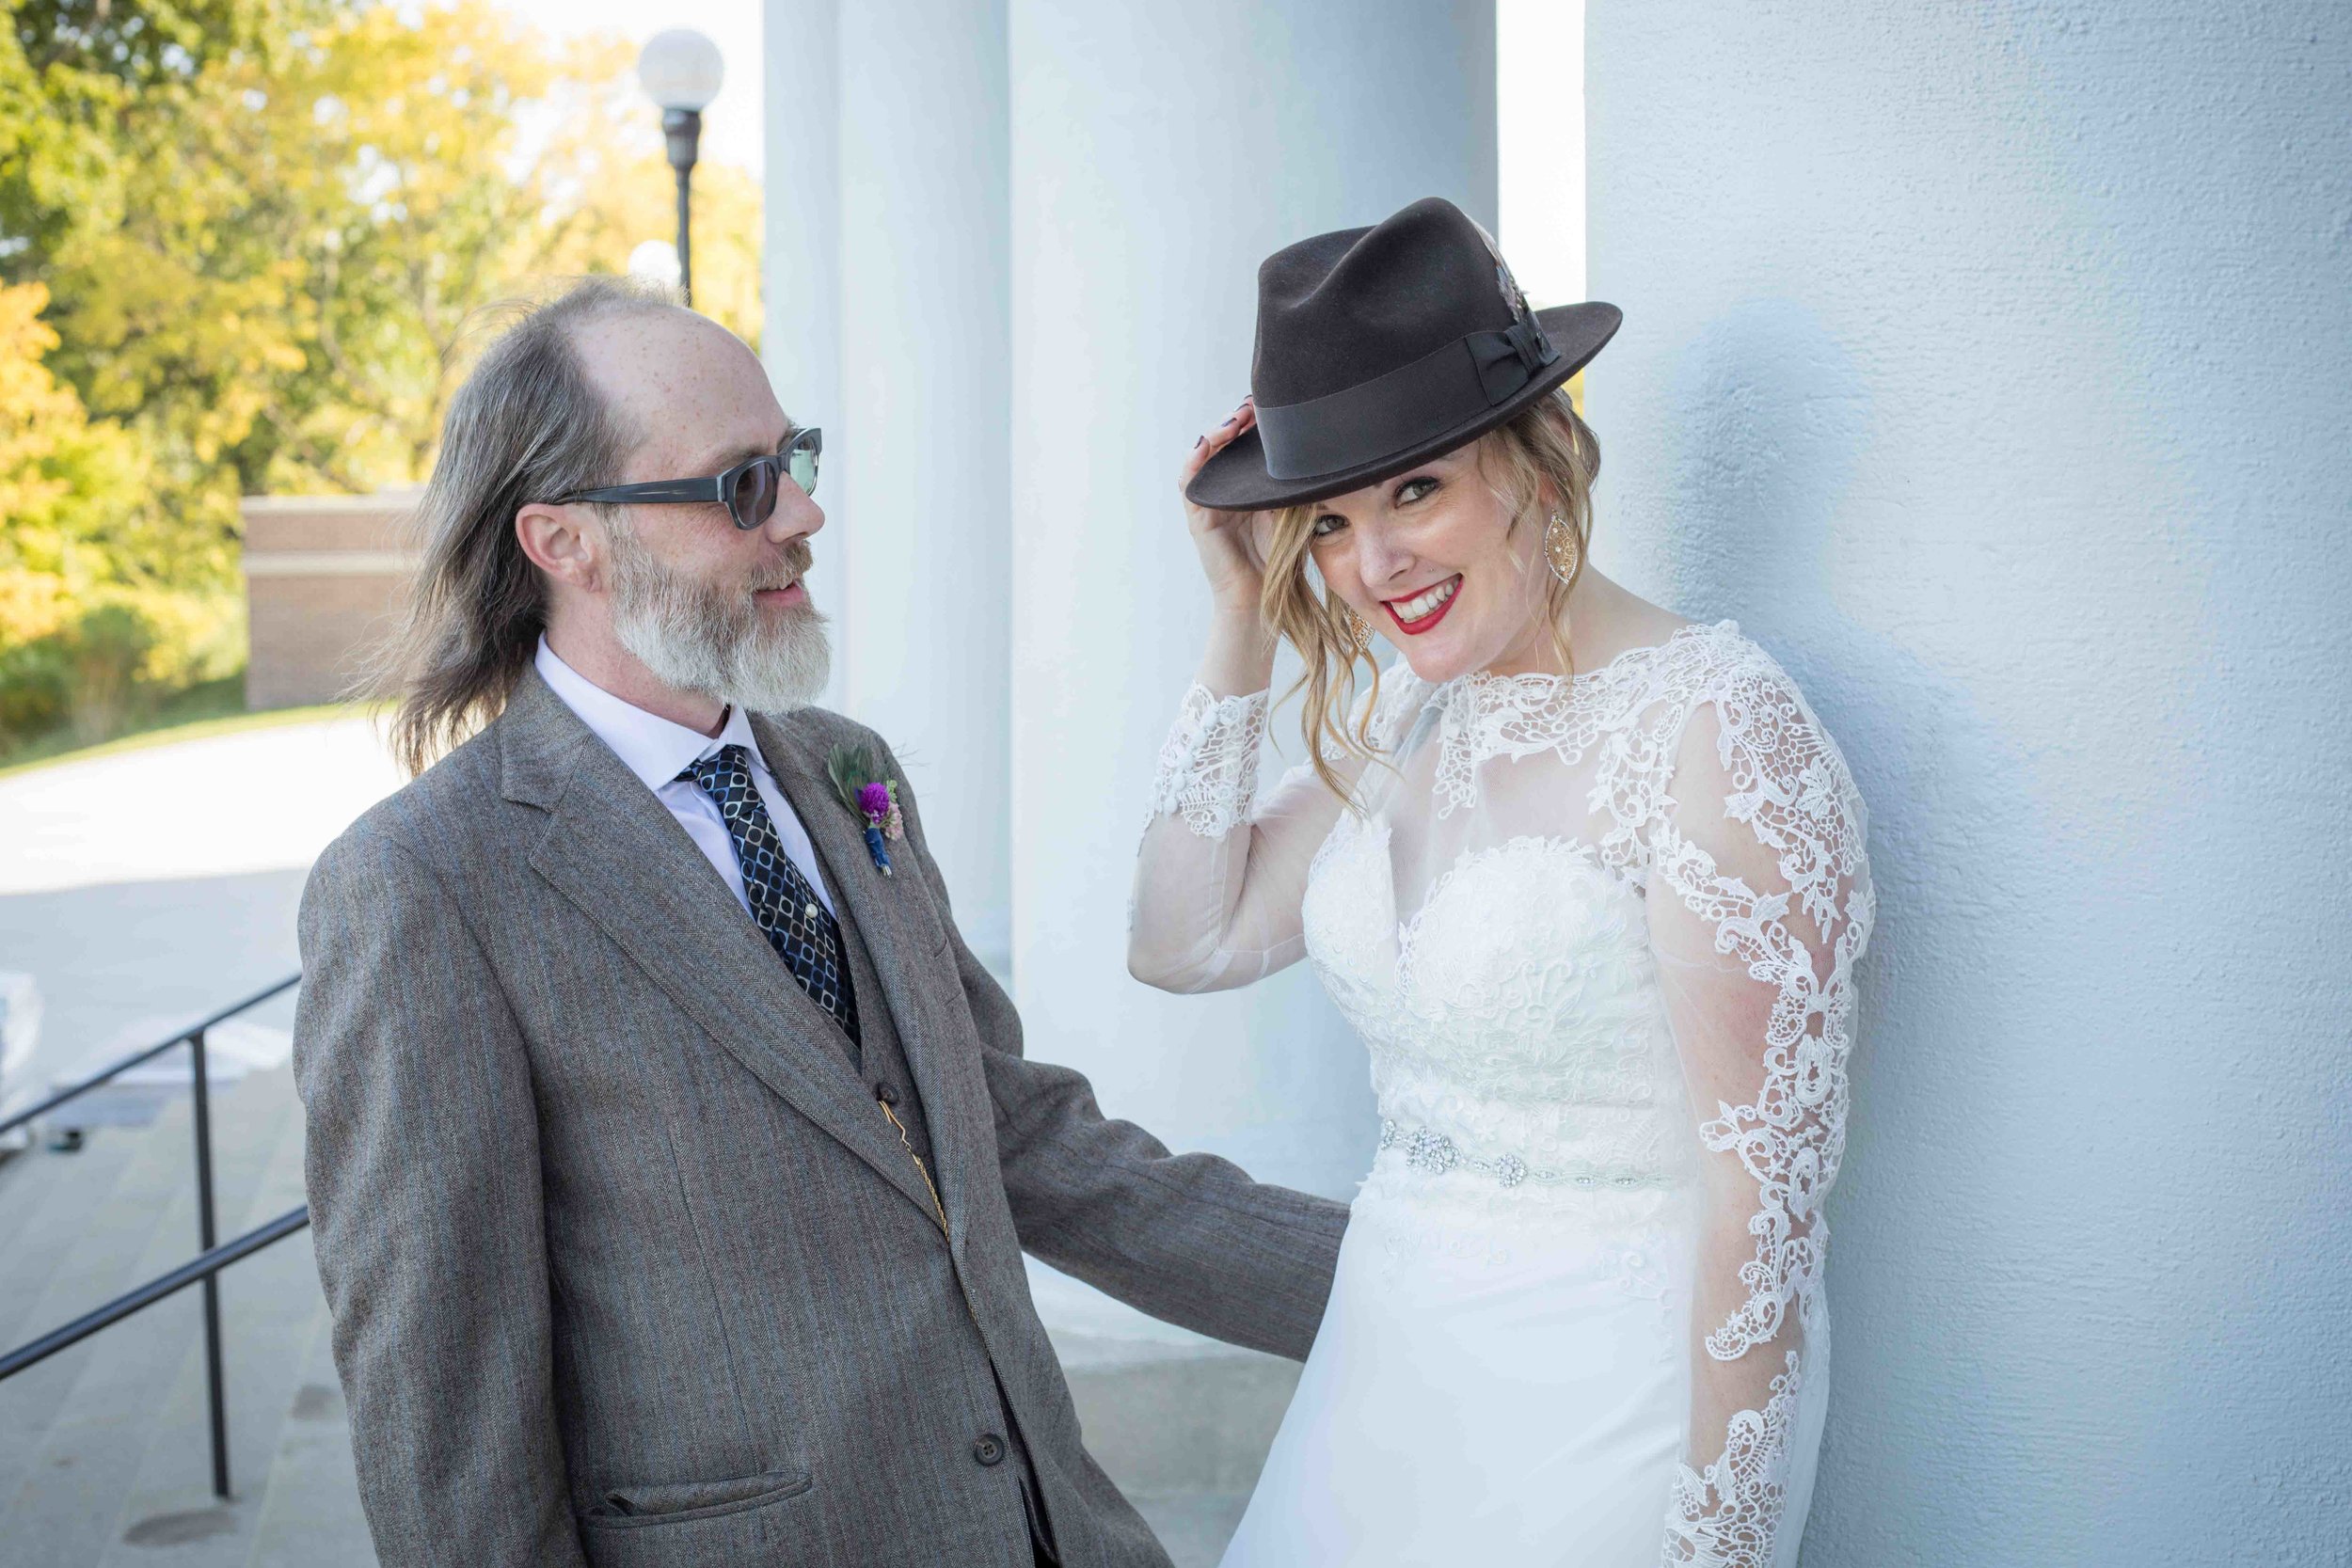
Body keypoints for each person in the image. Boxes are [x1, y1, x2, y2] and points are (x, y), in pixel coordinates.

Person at [292, 277, 1346, 1568]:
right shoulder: (424, 885)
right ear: (563, 543)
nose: (803, 512)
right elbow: (445, 1417)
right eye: (741, 486)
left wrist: (1410, 1280)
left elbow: (1019, 1143)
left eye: (791, 460)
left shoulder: (854, 771)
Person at [1129, 197, 1875, 1566]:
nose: (1372, 565)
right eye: (1333, 521)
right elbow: (1185, 941)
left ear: (1536, 465)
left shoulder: (1712, 731)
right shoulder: (1419, 726)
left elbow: (1760, 1211)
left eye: (1417, 490)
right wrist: (1236, 618)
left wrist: (1712, 1540)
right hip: (1385, 1392)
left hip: (1617, 1414)